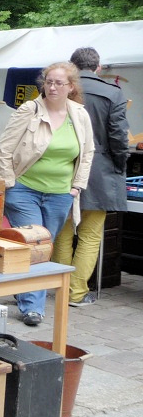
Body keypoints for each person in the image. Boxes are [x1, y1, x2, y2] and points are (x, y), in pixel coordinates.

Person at [0, 62, 95, 326]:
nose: (52, 87)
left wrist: (76, 187)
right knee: (34, 245)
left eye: (59, 83)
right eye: (48, 81)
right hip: (24, 189)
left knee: (44, 248)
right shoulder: (30, 110)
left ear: (71, 87)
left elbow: (87, 153)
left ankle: (23, 288)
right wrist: (10, 183)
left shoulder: (80, 115)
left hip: (61, 193)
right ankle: (32, 308)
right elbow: (3, 150)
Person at [53, 47, 130, 307]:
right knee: (89, 235)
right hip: (100, 172)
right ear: (98, 67)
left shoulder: (60, 89)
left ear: (72, 66)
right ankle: (76, 294)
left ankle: (60, 288)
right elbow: (119, 138)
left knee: (62, 233)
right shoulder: (113, 93)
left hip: (62, 168)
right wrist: (119, 166)